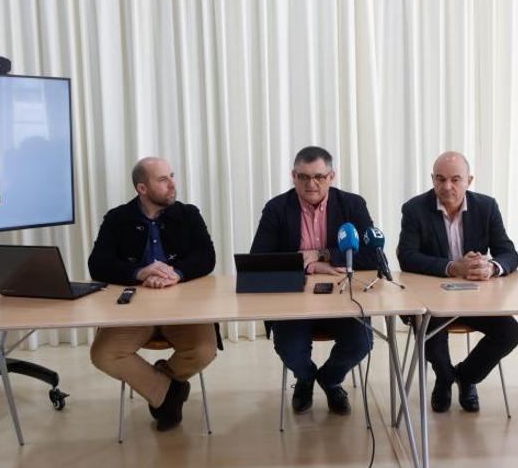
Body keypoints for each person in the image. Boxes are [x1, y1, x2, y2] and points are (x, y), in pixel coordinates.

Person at [88, 157, 218, 432]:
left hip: (182, 307)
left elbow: (207, 257)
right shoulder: (117, 218)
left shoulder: (188, 214)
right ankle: (169, 394)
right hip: (134, 308)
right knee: (103, 354)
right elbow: (97, 264)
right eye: (163, 179)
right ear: (142, 188)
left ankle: (162, 383)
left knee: (204, 350)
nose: (172, 184)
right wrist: (139, 272)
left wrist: (177, 273)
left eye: (172, 176)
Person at [250, 146, 377, 415]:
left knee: (362, 341)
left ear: (331, 176)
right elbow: (258, 261)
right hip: (294, 299)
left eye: (319, 176)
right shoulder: (277, 208)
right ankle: (305, 378)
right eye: (303, 177)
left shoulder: (352, 204)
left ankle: (330, 380)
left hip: (342, 298)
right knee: (289, 347)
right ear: (293, 176)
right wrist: (306, 265)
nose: (311, 184)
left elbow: (373, 257)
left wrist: (322, 255)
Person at [397, 151, 518, 413]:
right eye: (440, 179)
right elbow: (406, 257)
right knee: (430, 332)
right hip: (433, 299)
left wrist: (492, 267)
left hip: (475, 299)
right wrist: (453, 267)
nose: (447, 186)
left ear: (469, 180)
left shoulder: (486, 207)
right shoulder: (414, 209)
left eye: (455, 179)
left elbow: (509, 253)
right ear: (432, 179)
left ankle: (466, 377)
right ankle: (444, 379)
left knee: (510, 332)